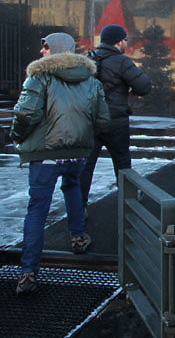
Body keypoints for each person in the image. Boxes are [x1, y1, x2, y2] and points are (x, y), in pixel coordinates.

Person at [10, 33, 110, 295]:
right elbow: (103, 119)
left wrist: (18, 136)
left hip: (46, 155)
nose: (41, 51)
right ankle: (78, 237)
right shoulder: (91, 80)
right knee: (72, 186)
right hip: (78, 153)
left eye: (45, 46)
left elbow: (26, 113)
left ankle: (29, 272)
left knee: (37, 209)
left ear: (54, 49)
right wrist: (83, 139)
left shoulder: (39, 77)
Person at [80, 24, 151, 211]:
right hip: (115, 120)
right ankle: (129, 201)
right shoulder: (121, 62)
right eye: (125, 40)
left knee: (86, 166)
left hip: (90, 120)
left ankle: (79, 206)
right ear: (119, 42)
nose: (126, 43)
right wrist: (132, 91)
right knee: (122, 162)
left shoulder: (87, 60)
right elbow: (144, 86)